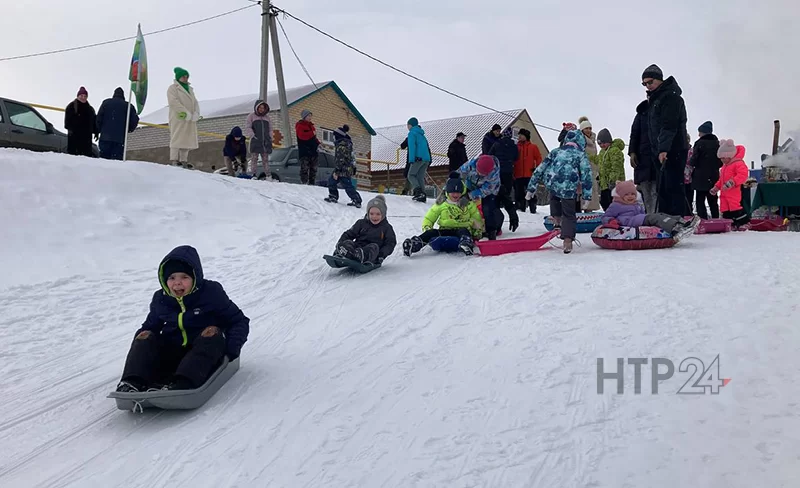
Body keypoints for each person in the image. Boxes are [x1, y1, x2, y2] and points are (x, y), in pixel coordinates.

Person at [115, 245, 250, 393]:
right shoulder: (161, 299)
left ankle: (183, 382)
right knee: (145, 334)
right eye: (171, 278)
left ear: (195, 278)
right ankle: (132, 381)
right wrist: (141, 353)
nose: (177, 283)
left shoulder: (211, 293)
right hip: (173, 353)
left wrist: (231, 350)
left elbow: (238, 321)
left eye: (184, 277)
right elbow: (150, 327)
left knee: (212, 332)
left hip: (204, 352)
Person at [525, 129, 593, 254]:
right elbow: (586, 175)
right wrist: (587, 196)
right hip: (568, 187)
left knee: (554, 198)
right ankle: (567, 240)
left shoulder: (555, 152)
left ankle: (556, 221)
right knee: (569, 214)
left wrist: (531, 188)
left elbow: (540, 169)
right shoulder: (580, 155)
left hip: (553, 184)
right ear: (581, 142)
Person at [641, 64, 690, 216]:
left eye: (650, 82)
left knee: (673, 186)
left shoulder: (671, 97)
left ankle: (678, 218)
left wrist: (664, 149)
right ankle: (666, 219)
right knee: (663, 187)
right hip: (660, 149)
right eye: (644, 84)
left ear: (659, 80)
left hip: (673, 149)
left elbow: (669, 125)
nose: (648, 86)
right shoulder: (654, 100)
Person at [403, 172, 483, 257]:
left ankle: (466, 244)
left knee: (464, 231)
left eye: (458, 192)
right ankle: (414, 244)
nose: (455, 194)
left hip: (461, 229)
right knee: (432, 232)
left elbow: (476, 218)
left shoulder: (468, 205)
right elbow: (430, 218)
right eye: (452, 192)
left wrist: (477, 233)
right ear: (448, 192)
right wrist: (427, 227)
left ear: (462, 192)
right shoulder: (442, 204)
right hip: (445, 229)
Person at [602, 180, 700, 240]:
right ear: (620, 196)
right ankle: (675, 228)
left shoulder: (636, 204)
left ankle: (682, 222)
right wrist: (611, 221)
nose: (630, 197)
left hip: (641, 219)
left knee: (660, 215)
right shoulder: (616, 205)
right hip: (631, 222)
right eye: (626, 195)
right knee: (655, 217)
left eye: (632, 194)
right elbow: (606, 216)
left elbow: (641, 213)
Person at [334, 195, 397, 265]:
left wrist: (381, 254)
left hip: (373, 255)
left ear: (383, 214)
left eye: (378, 214)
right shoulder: (361, 223)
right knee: (349, 242)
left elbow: (390, 243)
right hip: (357, 249)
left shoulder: (386, 228)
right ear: (368, 213)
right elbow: (349, 234)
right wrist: (341, 242)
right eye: (371, 214)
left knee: (374, 247)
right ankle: (343, 253)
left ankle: (360, 256)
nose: (374, 216)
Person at [458, 155, 502, 239]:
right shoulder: (470, 164)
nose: (479, 174)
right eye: (478, 171)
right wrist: (448, 189)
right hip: (471, 184)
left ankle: (491, 230)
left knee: (488, 209)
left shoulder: (494, 173)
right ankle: (467, 227)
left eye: (483, 174)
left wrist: (470, 196)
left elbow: (486, 190)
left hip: (489, 190)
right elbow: (458, 174)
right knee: (467, 207)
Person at [710, 139, 750, 230]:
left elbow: (743, 175)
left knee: (735, 207)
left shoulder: (738, 164)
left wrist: (732, 182)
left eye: (723, 158)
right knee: (725, 209)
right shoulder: (725, 167)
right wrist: (716, 187)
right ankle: (730, 223)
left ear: (729, 156)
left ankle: (744, 222)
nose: (722, 160)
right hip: (724, 193)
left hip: (733, 191)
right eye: (720, 158)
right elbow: (721, 180)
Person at [629, 96, 659, 213]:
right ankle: (650, 216)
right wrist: (632, 152)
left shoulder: (662, 112)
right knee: (646, 191)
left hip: (658, 157)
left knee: (656, 191)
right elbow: (634, 134)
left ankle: (656, 217)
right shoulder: (641, 114)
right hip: (643, 157)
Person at [167, 68, 201, 168]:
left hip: (190, 119)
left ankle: (184, 160)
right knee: (176, 137)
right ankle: (174, 159)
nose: (185, 79)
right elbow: (173, 102)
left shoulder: (190, 89)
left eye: (187, 77)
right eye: (183, 76)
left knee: (187, 138)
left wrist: (196, 113)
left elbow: (195, 102)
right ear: (178, 78)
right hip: (178, 118)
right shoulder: (173, 88)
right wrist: (185, 113)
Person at [489, 127, 520, 231]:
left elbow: (490, 155)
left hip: (497, 171)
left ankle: (497, 205)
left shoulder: (497, 144)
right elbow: (516, 157)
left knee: (496, 192)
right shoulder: (514, 146)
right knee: (505, 192)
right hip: (508, 170)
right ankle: (505, 204)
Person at [689, 121, 722, 219]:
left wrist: (692, 162)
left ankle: (702, 220)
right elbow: (720, 162)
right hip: (713, 176)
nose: (698, 134)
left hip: (700, 176)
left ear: (703, 132)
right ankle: (716, 219)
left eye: (700, 132)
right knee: (713, 200)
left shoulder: (699, 143)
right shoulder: (718, 144)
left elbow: (693, 161)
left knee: (700, 200)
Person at [95, 87, 139, 160]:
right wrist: (128, 130)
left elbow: (99, 118)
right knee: (116, 162)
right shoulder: (128, 106)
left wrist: (99, 129)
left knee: (103, 161)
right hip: (120, 139)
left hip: (105, 137)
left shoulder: (106, 103)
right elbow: (135, 120)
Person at [324, 125, 362, 207]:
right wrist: (354, 167)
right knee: (336, 182)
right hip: (347, 168)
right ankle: (354, 199)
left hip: (342, 169)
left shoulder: (341, 146)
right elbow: (352, 157)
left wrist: (337, 171)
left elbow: (340, 159)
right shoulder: (348, 144)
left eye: (334, 136)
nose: (333, 138)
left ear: (337, 136)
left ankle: (356, 200)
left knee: (341, 183)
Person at [513, 128, 543, 213]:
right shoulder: (516, 147)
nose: (519, 136)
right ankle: (520, 208)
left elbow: (538, 158)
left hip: (529, 173)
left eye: (521, 135)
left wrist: (537, 169)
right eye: (519, 135)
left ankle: (532, 208)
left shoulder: (533, 147)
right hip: (518, 174)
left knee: (531, 192)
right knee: (519, 193)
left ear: (526, 136)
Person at [596, 128, 626, 211]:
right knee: (604, 202)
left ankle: (617, 218)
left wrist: (612, 180)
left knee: (614, 203)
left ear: (609, 141)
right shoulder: (602, 152)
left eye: (604, 143)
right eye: (600, 144)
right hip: (604, 184)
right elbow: (597, 160)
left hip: (614, 183)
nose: (602, 145)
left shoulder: (615, 151)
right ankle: (609, 218)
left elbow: (616, 166)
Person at [64, 86, 98, 157]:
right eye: (81, 95)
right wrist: (71, 130)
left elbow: (94, 122)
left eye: (85, 96)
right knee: (73, 159)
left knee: (85, 160)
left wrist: (96, 132)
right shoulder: (71, 107)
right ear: (78, 96)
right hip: (74, 139)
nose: (83, 97)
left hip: (86, 140)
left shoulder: (90, 109)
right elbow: (67, 122)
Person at [406, 117, 432, 203]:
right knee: (420, 176)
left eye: (408, 125)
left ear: (410, 125)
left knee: (411, 175)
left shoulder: (412, 134)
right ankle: (423, 195)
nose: (407, 127)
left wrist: (411, 159)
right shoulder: (422, 135)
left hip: (418, 158)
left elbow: (412, 147)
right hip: (426, 159)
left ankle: (418, 191)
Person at [245, 100, 273, 178]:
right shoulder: (251, 116)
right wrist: (252, 135)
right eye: (260, 107)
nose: (261, 109)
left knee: (265, 160)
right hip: (256, 140)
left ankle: (268, 175)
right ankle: (253, 174)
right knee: (254, 159)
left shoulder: (267, 118)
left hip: (265, 142)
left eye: (263, 108)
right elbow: (248, 127)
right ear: (256, 107)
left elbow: (270, 128)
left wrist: (270, 137)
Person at [578, 116, 600, 212]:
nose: (588, 130)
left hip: (593, 169)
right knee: (581, 191)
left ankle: (589, 211)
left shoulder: (593, 141)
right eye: (586, 128)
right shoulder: (579, 139)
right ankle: (579, 210)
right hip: (582, 168)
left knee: (591, 190)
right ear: (582, 129)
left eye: (590, 128)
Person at [296, 109, 321, 185]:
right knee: (305, 168)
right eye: (308, 116)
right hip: (305, 150)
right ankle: (304, 182)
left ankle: (312, 183)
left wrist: (318, 144)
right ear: (304, 117)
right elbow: (302, 136)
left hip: (313, 150)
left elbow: (314, 137)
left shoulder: (312, 126)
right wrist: (311, 133)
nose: (310, 117)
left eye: (311, 116)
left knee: (314, 168)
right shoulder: (300, 125)